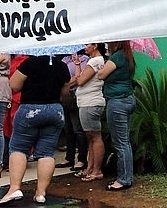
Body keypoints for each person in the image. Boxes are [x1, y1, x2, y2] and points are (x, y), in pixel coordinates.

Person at [0, 55, 70, 206]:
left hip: (30, 109)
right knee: (47, 152)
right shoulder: (61, 65)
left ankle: (15, 188)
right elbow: (66, 91)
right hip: (55, 111)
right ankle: (41, 193)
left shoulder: (30, 62)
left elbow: (14, 85)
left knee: (19, 148)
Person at [97, 41, 136, 191]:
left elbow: (101, 74)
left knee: (120, 142)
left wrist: (104, 65)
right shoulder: (127, 56)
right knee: (124, 141)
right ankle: (127, 176)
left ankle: (124, 179)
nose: (107, 44)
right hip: (127, 99)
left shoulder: (117, 57)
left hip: (117, 102)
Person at [71, 43, 106, 181]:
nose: (85, 47)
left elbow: (80, 81)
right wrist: (78, 64)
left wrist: (78, 78)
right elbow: (80, 78)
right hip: (87, 102)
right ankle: (90, 168)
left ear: (95, 45)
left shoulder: (95, 61)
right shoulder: (95, 61)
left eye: (87, 44)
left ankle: (96, 170)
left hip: (90, 102)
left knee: (95, 137)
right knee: (91, 137)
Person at [55, 49, 88, 172]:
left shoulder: (85, 59)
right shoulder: (65, 60)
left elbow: (79, 78)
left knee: (78, 129)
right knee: (68, 128)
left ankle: (82, 158)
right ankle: (69, 157)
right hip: (65, 96)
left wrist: (68, 83)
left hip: (76, 96)